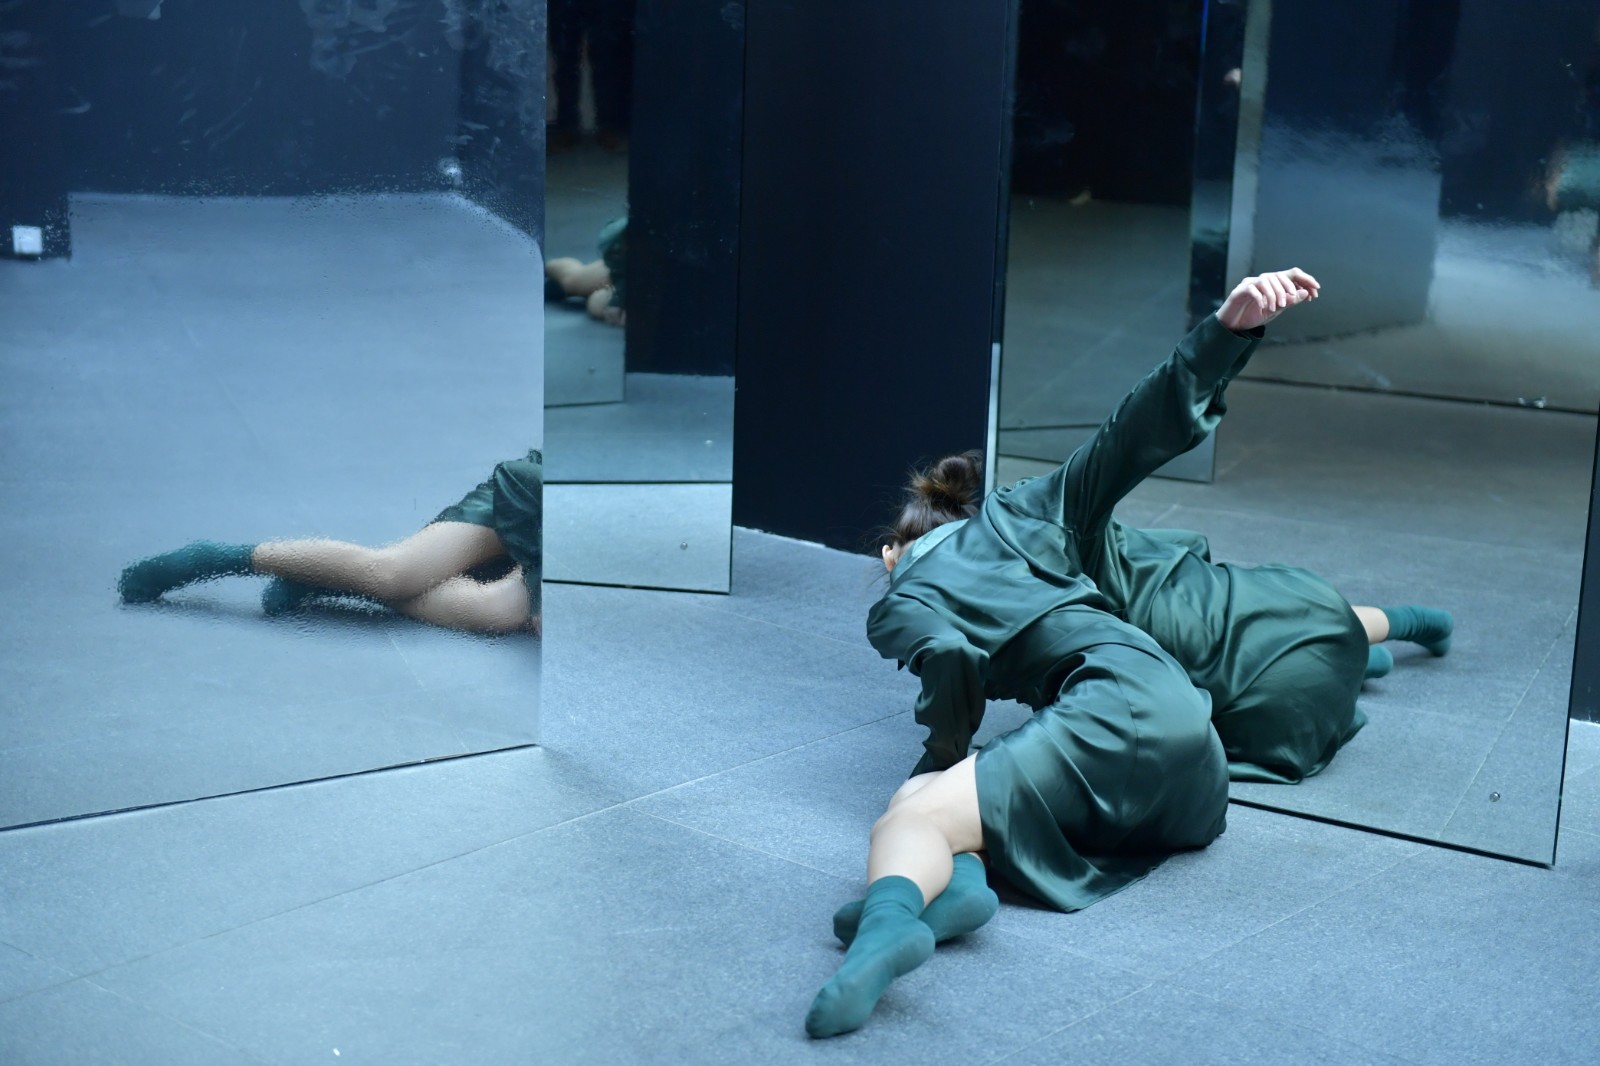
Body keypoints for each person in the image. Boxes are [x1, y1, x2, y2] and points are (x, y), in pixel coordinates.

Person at [805, 269, 1448, 1039]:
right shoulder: (1026, 512)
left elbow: (949, 661)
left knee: (909, 814)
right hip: (1194, 749)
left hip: (1120, 708)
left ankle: (886, 930)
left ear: (890, 554)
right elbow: (1128, 433)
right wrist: (1225, 332)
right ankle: (957, 886)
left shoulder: (901, 602)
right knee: (1285, 614)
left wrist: (941, 756)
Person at [117, 450, 542, 636]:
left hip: (562, 532)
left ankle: (327, 576)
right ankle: (220, 557)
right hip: (532, 497)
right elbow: (523, 476)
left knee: (498, 613)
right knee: (394, 573)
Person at [545, 216, 628, 327]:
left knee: (598, 303)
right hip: (628, 268)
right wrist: (617, 300)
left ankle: (581, 290)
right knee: (572, 281)